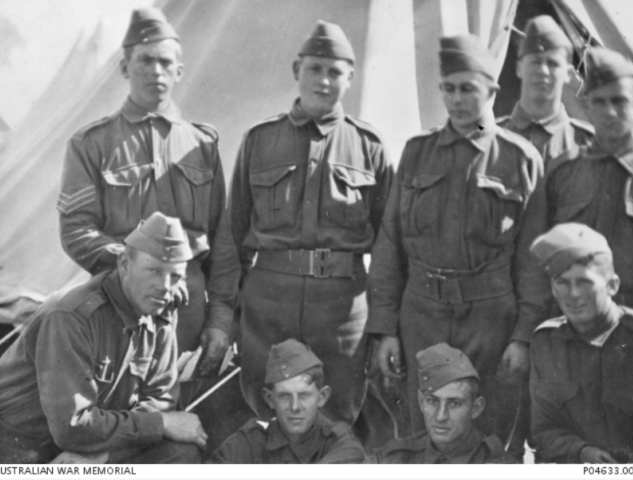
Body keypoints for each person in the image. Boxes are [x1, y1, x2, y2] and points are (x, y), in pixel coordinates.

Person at [366, 34, 544, 458]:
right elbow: (390, 245)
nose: (457, 99)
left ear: (492, 91)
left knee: (490, 437)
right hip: (422, 316)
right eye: (449, 88)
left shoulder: (519, 159)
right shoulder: (416, 153)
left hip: (490, 323)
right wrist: (385, 328)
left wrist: (523, 337)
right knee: (425, 431)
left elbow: (533, 265)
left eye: (468, 88)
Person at [57, 8, 239, 381]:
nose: (155, 71)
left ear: (179, 71)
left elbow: (223, 240)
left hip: (186, 306)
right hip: (118, 299)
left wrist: (219, 319)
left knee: (178, 409)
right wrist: (134, 267)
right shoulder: (92, 143)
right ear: (125, 67)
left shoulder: (202, 144)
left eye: (165, 62)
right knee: (118, 404)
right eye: (145, 61)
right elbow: (76, 229)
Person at [229, 20, 394, 425]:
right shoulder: (259, 139)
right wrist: (231, 313)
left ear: (351, 78)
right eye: (315, 69)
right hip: (269, 303)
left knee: (335, 417)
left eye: (335, 71)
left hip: (340, 310)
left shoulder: (369, 147)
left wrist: (382, 322)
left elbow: (389, 249)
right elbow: (233, 237)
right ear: (296, 71)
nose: (324, 80)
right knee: (269, 413)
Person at [0, 212, 207, 464]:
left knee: (181, 454)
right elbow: (72, 425)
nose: (164, 286)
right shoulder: (72, 315)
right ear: (124, 264)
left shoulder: (158, 312)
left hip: (87, 445)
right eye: (153, 270)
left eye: (175, 276)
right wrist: (159, 424)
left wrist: (104, 454)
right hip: (20, 446)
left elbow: (160, 398)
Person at [527, 47, 633, 317]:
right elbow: (535, 261)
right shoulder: (564, 171)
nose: (609, 112)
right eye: (599, 102)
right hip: (570, 323)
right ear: (587, 105)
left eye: (619, 101)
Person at [530, 223, 633, 464]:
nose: (574, 294)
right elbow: (542, 430)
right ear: (552, 288)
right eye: (563, 282)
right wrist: (581, 452)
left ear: (613, 285)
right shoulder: (545, 342)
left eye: (584, 282)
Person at [212, 339, 364, 463]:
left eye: (304, 395)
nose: (295, 407)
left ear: (322, 396)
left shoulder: (337, 440)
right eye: (284, 396)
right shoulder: (250, 441)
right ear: (269, 399)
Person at [368, 343, 514, 464]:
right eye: (432, 401)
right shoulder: (395, 459)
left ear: (476, 408)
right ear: (420, 401)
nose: (440, 416)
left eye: (454, 404)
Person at [497, 15, 594, 164]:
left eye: (553, 63)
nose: (543, 70)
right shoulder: (490, 133)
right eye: (535, 61)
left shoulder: (589, 143)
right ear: (519, 68)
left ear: (568, 74)